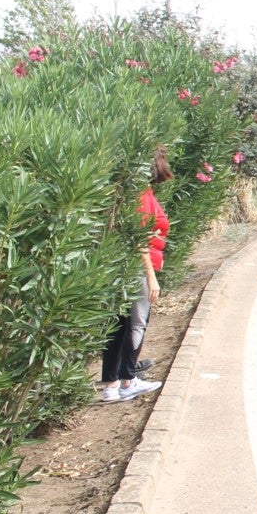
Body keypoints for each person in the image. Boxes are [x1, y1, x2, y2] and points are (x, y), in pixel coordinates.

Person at [101, 147, 172, 402]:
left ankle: (111, 385)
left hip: (127, 266)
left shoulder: (135, 192)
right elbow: (138, 238)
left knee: (119, 325)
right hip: (137, 268)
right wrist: (151, 276)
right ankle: (128, 381)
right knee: (136, 323)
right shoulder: (140, 195)